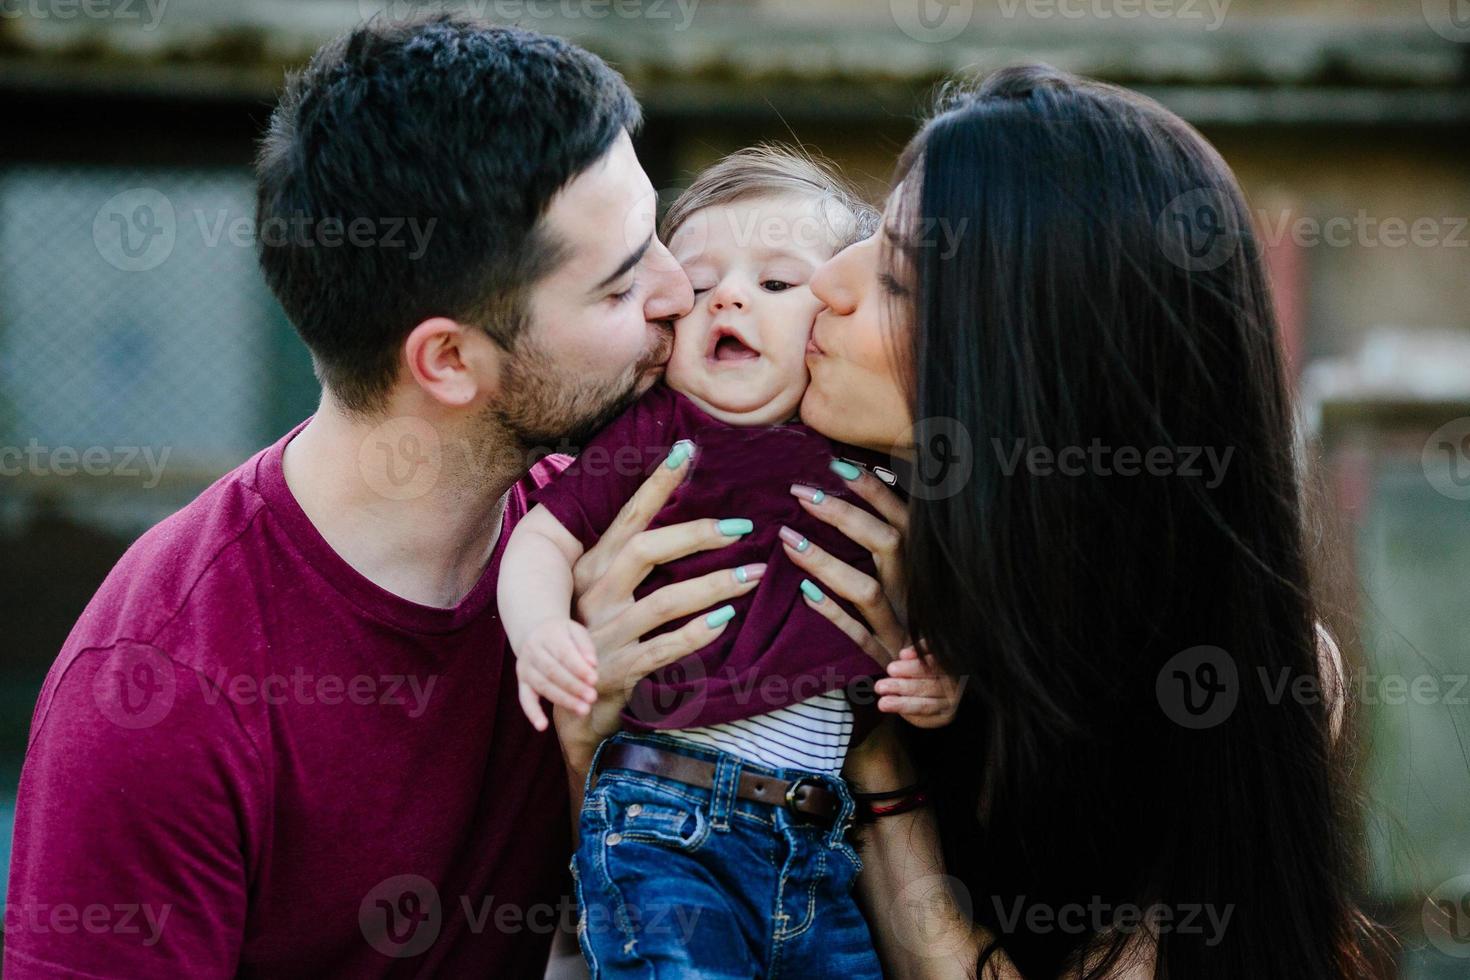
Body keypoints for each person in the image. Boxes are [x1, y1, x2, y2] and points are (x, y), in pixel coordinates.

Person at [3, 16, 757, 977]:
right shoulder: (157, 694)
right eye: (617, 290)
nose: (677, 292)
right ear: (447, 360)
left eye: (658, 236)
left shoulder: (618, 543)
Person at [789, 65, 1389, 978]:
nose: (823, 285)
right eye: (871, 235)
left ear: (1036, 373)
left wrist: (876, 751)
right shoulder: (769, 537)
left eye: (901, 282)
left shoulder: (1237, 682)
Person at [501, 146, 961, 976]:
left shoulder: (872, 456)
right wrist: (540, 629)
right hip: (665, 815)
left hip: (816, 839)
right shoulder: (655, 436)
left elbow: (940, 613)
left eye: (778, 284)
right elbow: (542, 537)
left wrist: (935, 679)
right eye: (701, 285)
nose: (732, 296)